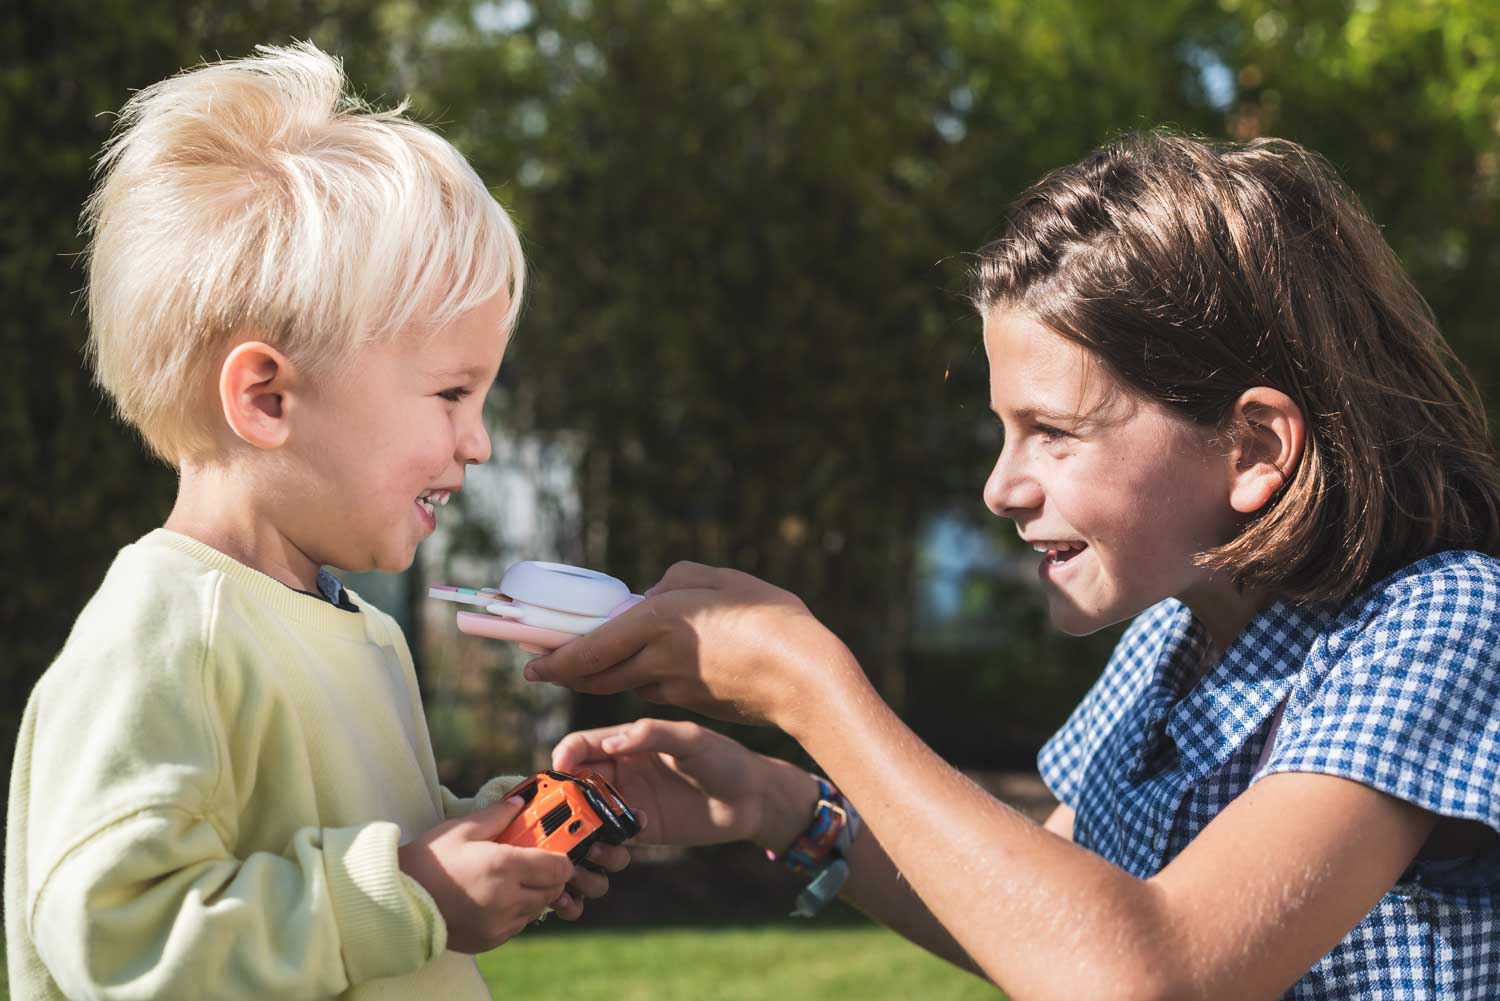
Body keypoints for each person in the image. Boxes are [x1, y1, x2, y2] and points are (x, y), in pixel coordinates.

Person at [529, 132, 1500, 999]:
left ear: (1252, 448)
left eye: (1054, 432)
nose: (1001, 488)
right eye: (1005, 430)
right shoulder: (1171, 638)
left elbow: (1151, 973)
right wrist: (776, 798)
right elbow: (1043, 925)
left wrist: (812, 686)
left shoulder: (1439, 624)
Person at [5, 42, 628, 1001]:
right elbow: (119, 941)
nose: (481, 444)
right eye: (453, 394)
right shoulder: (167, 634)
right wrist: (411, 892)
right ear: (266, 397)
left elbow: (333, 842)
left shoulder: (359, 627)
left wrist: (487, 840)